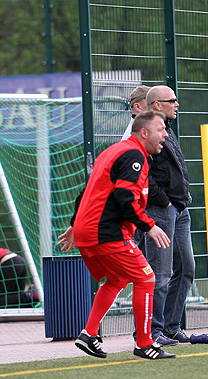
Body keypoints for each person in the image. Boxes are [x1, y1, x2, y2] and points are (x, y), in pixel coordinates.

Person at [58, 110, 175, 360]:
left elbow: (87, 191)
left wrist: (76, 224)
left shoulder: (115, 151)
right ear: (144, 133)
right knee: (146, 278)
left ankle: (89, 334)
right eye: (161, 129)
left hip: (89, 229)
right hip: (105, 232)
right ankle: (144, 344)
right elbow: (125, 198)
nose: (165, 134)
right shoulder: (133, 155)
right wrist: (149, 226)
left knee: (118, 279)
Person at [138, 85, 194, 346]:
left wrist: (180, 200)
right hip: (161, 210)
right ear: (157, 105)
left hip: (179, 209)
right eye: (172, 100)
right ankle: (151, 332)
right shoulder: (145, 133)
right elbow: (143, 173)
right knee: (160, 273)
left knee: (186, 268)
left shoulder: (167, 129)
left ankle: (171, 327)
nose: (177, 104)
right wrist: (165, 200)